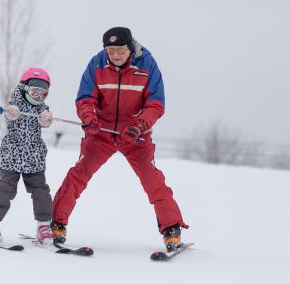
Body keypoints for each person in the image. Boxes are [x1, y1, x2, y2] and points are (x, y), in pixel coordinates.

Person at [50, 27, 188, 252]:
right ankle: (55, 224)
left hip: (135, 135)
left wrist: (140, 125)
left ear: (130, 48)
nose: (114, 54)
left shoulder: (148, 66)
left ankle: (171, 229)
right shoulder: (96, 64)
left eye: (119, 50)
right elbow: (85, 97)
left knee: (153, 180)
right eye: (110, 49)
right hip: (101, 132)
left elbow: (156, 103)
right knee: (78, 175)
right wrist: (89, 117)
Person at [0, 68, 55, 245]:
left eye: (42, 94)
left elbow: (45, 122)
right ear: (24, 88)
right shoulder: (14, 105)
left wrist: (46, 120)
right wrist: (11, 114)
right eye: (34, 92)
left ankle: (43, 226)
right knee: (6, 189)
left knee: (41, 191)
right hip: (12, 157)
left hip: (34, 158)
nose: (38, 97)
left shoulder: (42, 109)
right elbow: (10, 115)